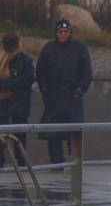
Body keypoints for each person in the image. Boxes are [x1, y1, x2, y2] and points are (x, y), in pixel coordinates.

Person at [35, 18, 91, 165]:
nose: (63, 34)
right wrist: (45, 89)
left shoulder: (80, 48)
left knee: (74, 132)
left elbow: (87, 72)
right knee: (53, 133)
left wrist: (80, 90)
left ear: (70, 32)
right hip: (54, 98)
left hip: (72, 97)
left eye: (66, 31)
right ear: (56, 33)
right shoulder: (48, 48)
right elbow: (40, 71)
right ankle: (56, 162)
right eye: (60, 31)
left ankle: (76, 162)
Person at [0, 31, 36, 162]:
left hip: (20, 102)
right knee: (1, 135)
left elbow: (26, 80)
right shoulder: (1, 59)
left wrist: (4, 84)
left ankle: (21, 163)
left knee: (20, 136)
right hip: (3, 103)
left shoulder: (25, 60)